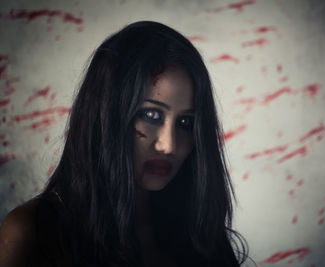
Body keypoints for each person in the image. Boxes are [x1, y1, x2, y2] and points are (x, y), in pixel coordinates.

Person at [0, 21, 248, 266]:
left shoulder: (197, 235)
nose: (168, 146)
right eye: (151, 115)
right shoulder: (32, 234)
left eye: (185, 123)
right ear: (106, 115)